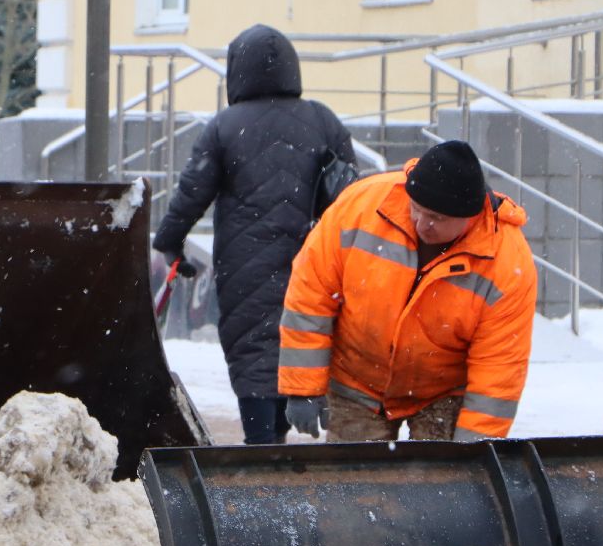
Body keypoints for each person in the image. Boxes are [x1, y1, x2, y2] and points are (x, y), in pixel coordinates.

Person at [151, 23, 355, 445]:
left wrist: (169, 242)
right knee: (304, 332)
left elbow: (192, 192)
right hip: (313, 260)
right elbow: (351, 197)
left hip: (244, 261)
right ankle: (302, 412)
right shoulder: (323, 121)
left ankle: (262, 440)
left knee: (253, 345)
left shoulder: (225, 127)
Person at [278, 140, 538, 442]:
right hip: (357, 380)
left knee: (439, 484)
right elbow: (310, 295)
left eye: (437, 219)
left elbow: (499, 369)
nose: (422, 223)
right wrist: (302, 389)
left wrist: (472, 457)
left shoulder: (507, 263)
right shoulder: (360, 207)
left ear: (470, 217)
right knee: (353, 483)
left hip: (443, 392)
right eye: (416, 209)